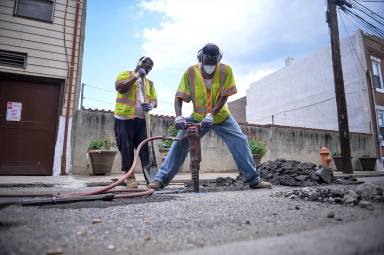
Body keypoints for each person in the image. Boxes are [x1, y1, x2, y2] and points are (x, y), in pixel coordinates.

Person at [147, 44, 271, 190]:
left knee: (240, 141)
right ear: (201, 58)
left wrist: (211, 114)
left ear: (218, 60)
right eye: (208, 62)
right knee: (179, 143)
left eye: (214, 62)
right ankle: (160, 180)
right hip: (198, 117)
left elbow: (224, 97)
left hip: (221, 116)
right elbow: (179, 97)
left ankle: (254, 180)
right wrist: (179, 117)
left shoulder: (225, 70)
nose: (210, 66)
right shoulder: (191, 72)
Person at [114, 56, 157, 188]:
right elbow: (120, 88)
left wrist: (151, 105)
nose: (147, 69)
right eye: (146, 65)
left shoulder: (149, 83)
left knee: (147, 149)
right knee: (126, 148)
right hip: (125, 119)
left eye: (150, 68)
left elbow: (155, 100)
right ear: (139, 63)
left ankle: (151, 179)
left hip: (143, 120)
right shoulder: (126, 74)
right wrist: (137, 76)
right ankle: (130, 177)